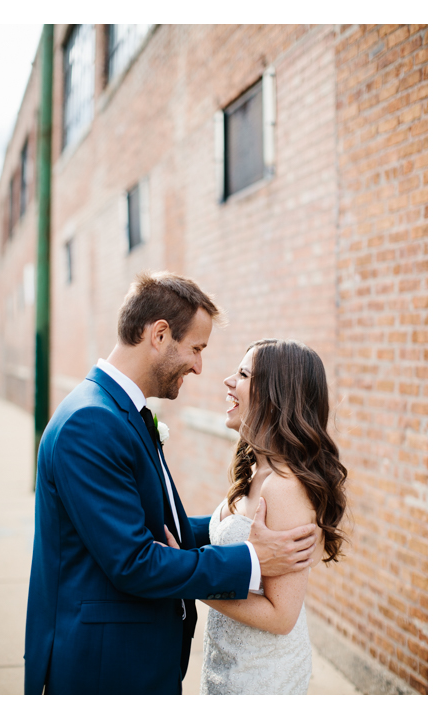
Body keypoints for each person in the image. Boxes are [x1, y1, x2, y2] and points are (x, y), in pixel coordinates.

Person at [24, 271, 320, 695]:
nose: (200, 366)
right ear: (160, 335)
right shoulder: (91, 422)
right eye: (197, 348)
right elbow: (133, 561)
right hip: (103, 667)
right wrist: (253, 559)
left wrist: (229, 529)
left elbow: (150, 523)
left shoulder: (117, 412)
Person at [170, 339, 347, 694]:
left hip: (262, 677)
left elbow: (282, 616)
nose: (228, 381)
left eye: (243, 374)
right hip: (229, 662)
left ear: (275, 393)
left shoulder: (284, 489)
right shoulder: (256, 468)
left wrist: (185, 575)